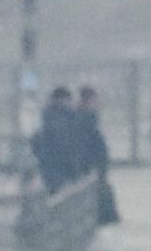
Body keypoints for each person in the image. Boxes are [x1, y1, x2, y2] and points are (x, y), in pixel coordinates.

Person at [70, 85, 123, 225]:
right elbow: (88, 144)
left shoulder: (85, 117)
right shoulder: (85, 118)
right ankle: (104, 219)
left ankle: (104, 219)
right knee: (100, 192)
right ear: (89, 100)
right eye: (95, 99)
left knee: (100, 191)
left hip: (93, 165)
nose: (98, 103)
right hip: (91, 165)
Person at [31, 91, 83, 198]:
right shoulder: (67, 121)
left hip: (49, 171)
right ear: (65, 100)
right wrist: (74, 170)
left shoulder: (47, 119)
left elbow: (36, 143)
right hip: (64, 172)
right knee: (65, 199)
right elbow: (68, 148)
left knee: (55, 198)